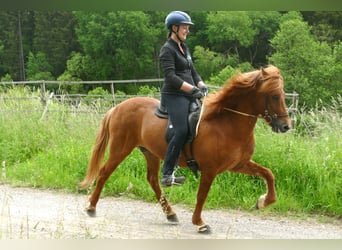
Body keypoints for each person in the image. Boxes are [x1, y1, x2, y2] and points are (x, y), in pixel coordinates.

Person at [159, 11, 208, 187]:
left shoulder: (184, 48)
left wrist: (201, 85)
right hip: (174, 95)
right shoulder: (167, 49)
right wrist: (192, 89)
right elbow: (171, 77)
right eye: (185, 27)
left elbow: (192, 72)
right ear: (174, 28)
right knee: (180, 131)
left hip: (189, 93)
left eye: (188, 27)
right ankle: (167, 174)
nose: (187, 30)